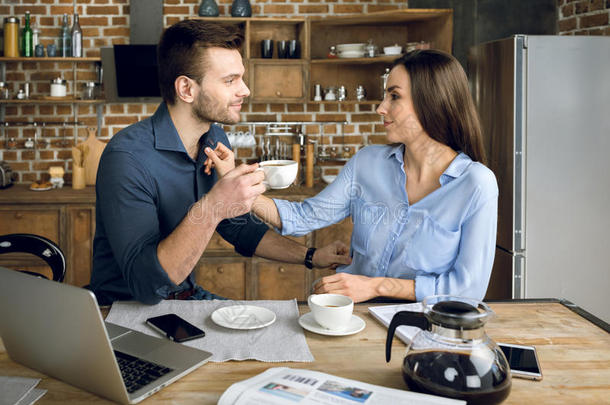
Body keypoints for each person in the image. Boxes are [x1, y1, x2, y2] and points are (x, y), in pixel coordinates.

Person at [90, 20, 350, 305]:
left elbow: (237, 226)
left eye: (241, 78)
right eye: (230, 81)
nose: (245, 90)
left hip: (187, 299)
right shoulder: (127, 158)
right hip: (126, 312)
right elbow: (149, 285)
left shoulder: (213, 137)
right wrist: (214, 204)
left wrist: (310, 256)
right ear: (187, 89)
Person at [206, 50, 498, 303]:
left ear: (433, 102)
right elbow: (303, 217)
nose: (381, 107)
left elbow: (468, 290)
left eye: (394, 96)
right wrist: (234, 180)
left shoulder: (476, 184)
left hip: (422, 324)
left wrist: (375, 286)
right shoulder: (368, 163)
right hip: (352, 317)